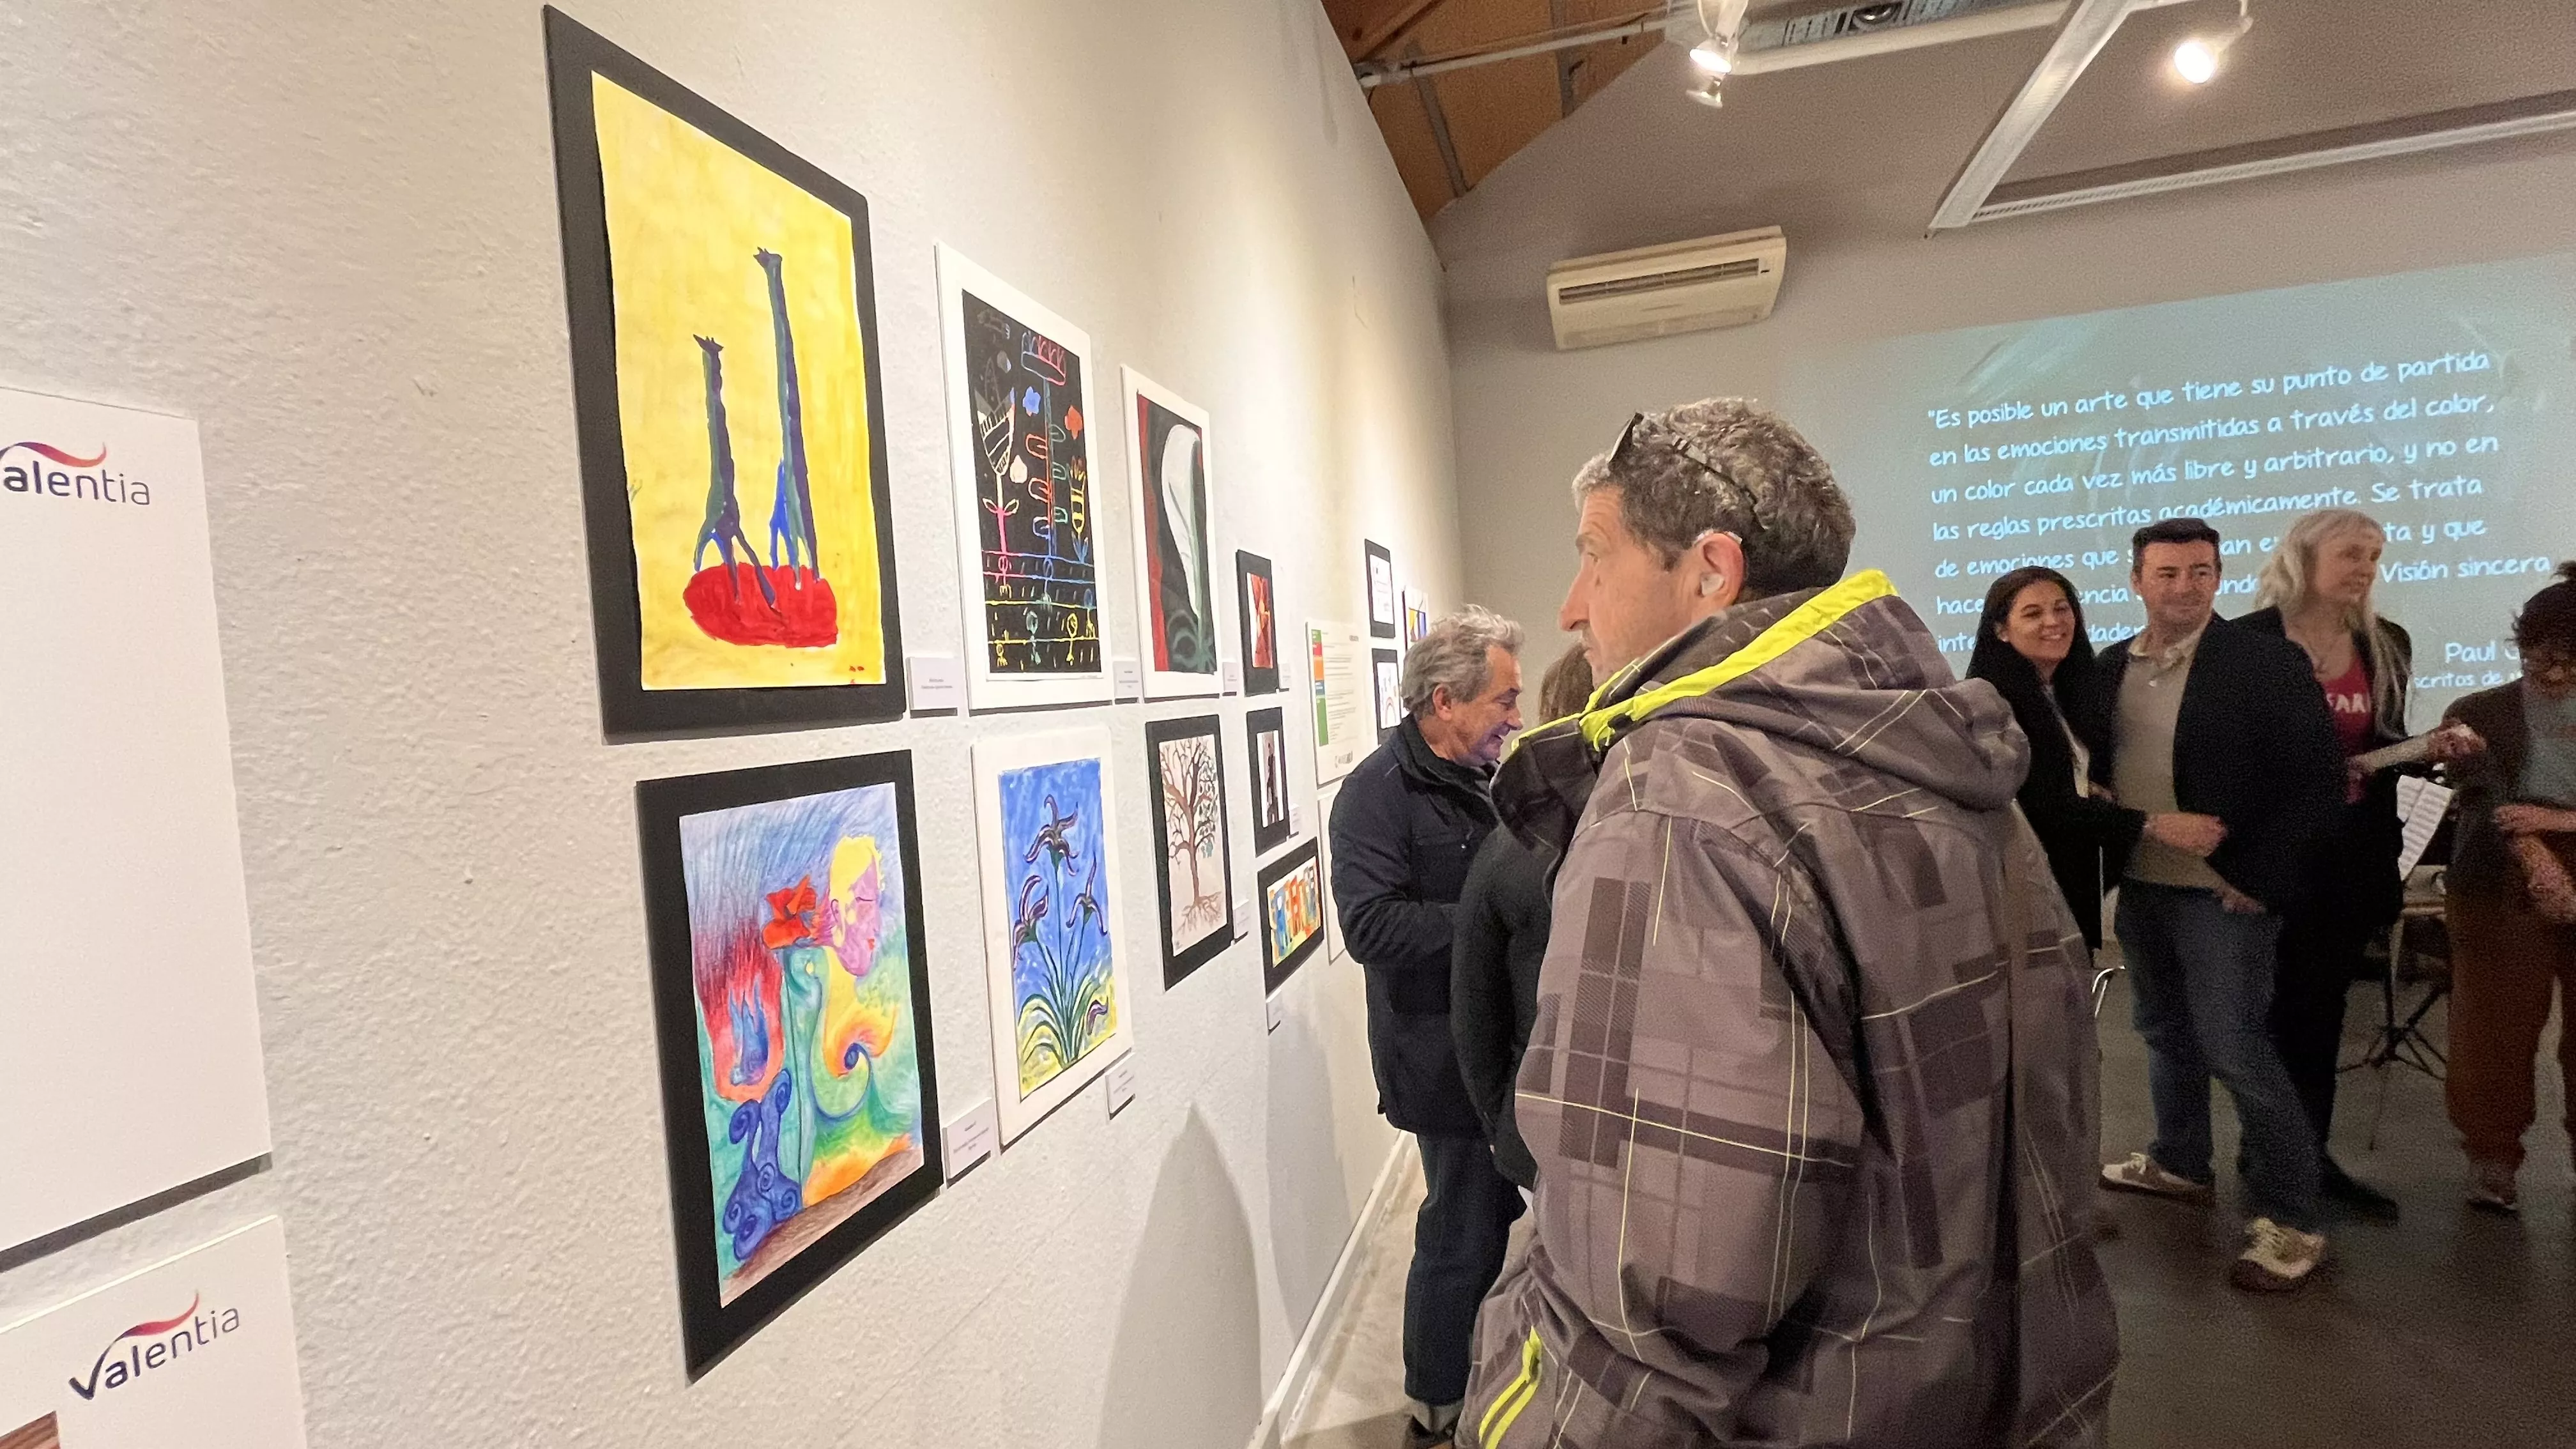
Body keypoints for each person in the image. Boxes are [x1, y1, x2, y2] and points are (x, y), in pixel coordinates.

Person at [1457, 401, 2114, 1448]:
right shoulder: (1939, 749)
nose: (1572, 604)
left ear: (1710, 571)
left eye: (1594, 555)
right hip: (1991, 1384)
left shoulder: (1682, 793)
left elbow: (1662, 1278)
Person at [2091, 517, 2346, 1291]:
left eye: (2200, 572)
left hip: (2224, 896)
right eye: (2167, 573)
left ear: (2219, 578)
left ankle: (2295, 1219)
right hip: (2143, 885)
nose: (2184, 587)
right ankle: (2179, 1161)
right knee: (2165, 1033)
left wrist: (2259, 876)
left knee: (2235, 1045)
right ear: (2136, 581)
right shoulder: (2106, 669)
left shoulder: (2264, 662)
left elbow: (2317, 782)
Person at [1328, 605, 1528, 1449]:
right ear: (1445, 702)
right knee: (1460, 1232)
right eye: (1504, 700)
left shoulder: (1481, 779)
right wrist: (1484, 922)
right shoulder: (1377, 795)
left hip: (1490, 1048)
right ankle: (1435, 1411)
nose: (1517, 718)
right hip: (1439, 1063)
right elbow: (1370, 927)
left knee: (1488, 1225)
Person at [2240, 509, 2416, 1220]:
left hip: (2348, 865)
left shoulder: (2386, 644)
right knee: (2263, 1019)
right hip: (2270, 865)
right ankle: (2270, 1156)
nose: (2366, 568)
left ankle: (2307, 1157)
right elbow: (2235, 757)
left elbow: (2386, 743)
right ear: (2303, 557)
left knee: (2321, 1017)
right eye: (2351, 553)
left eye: (2375, 555)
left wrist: (2425, 750)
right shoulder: (2247, 644)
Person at [1966, 566, 2225, 950]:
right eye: (2033, 613)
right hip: (2020, 895)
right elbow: (2043, 807)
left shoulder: (2072, 693)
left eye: (2062, 608)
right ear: (2001, 630)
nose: (2053, 622)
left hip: (2071, 889)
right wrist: (2154, 825)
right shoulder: (1989, 703)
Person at [2439, 562, 2576, 1213]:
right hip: (2497, 877)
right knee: (2493, 1028)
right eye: (2534, 658)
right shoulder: (2477, 712)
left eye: (2567, 664)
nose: (2549, 676)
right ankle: (2491, 1159)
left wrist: (2558, 820)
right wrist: (2540, 857)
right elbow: (2486, 798)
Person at [1450, 643, 1594, 1192]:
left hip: (1536, 1121)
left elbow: (1474, 1012)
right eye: (1503, 700)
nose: (1515, 719)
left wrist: (1502, 1124)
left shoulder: (1509, 842)